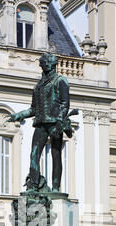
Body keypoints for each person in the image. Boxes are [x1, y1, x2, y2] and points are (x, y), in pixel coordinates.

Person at [8, 53, 70, 192]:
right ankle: (34, 185)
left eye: (47, 62)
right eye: (43, 63)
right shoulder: (38, 86)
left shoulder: (60, 81)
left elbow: (65, 104)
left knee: (56, 154)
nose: (45, 65)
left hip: (55, 123)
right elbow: (34, 109)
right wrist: (19, 115)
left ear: (52, 64)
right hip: (41, 123)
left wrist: (60, 119)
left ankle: (55, 187)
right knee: (34, 153)